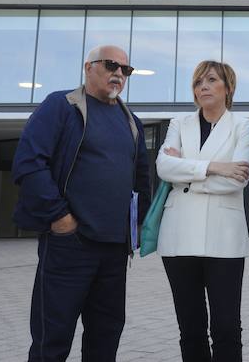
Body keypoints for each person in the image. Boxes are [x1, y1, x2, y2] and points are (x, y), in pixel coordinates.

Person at [12, 45, 151, 362]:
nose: (118, 73)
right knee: (52, 339)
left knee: (105, 339)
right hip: (69, 246)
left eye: (125, 70)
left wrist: (135, 228)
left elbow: (141, 181)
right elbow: (29, 163)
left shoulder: (132, 122)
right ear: (89, 67)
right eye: (111, 65)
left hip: (115, 251)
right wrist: (59, 217)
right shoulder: (61, 106)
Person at [156, 61, 249, 362]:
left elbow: (237, 180)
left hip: (224, 238)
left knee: (226, 327)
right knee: (191, 328)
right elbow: (163, 167)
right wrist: (215, 167)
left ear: (229, 88)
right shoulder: (178, 124)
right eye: (198, 82)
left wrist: (185, 176)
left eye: (211, 80)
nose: (203, 86)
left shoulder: (243, 125)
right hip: (178, 237)